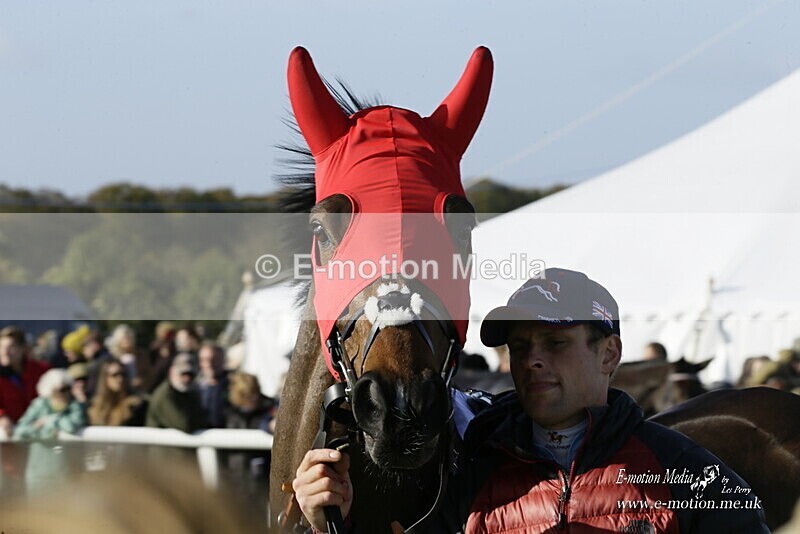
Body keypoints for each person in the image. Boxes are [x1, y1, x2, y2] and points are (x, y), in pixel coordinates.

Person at [293, 268, 768, 533]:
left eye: (554, 344)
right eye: (519, 348)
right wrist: (329, 520)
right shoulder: (466, 471)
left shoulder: (686, 468)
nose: (531, 361)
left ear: (610, 354)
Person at [0, 326, 49, 438]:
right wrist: (1, 417)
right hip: (9, 437)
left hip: (40, 433)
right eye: (1, 347)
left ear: (23, 349)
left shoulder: (41, 370)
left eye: (11, 347)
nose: (5, 352)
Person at [145, 353, 206, 432]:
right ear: (171, 372)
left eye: (190, 375)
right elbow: (184, 426)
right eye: (182, 374)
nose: (187, 379)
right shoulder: (164, 395)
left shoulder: (190, 392)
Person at [88, 359, 147, 426]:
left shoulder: (135, 407)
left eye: (123, 374)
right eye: (115, 375)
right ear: (105, 378)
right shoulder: (95, 406)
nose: (120, 379)